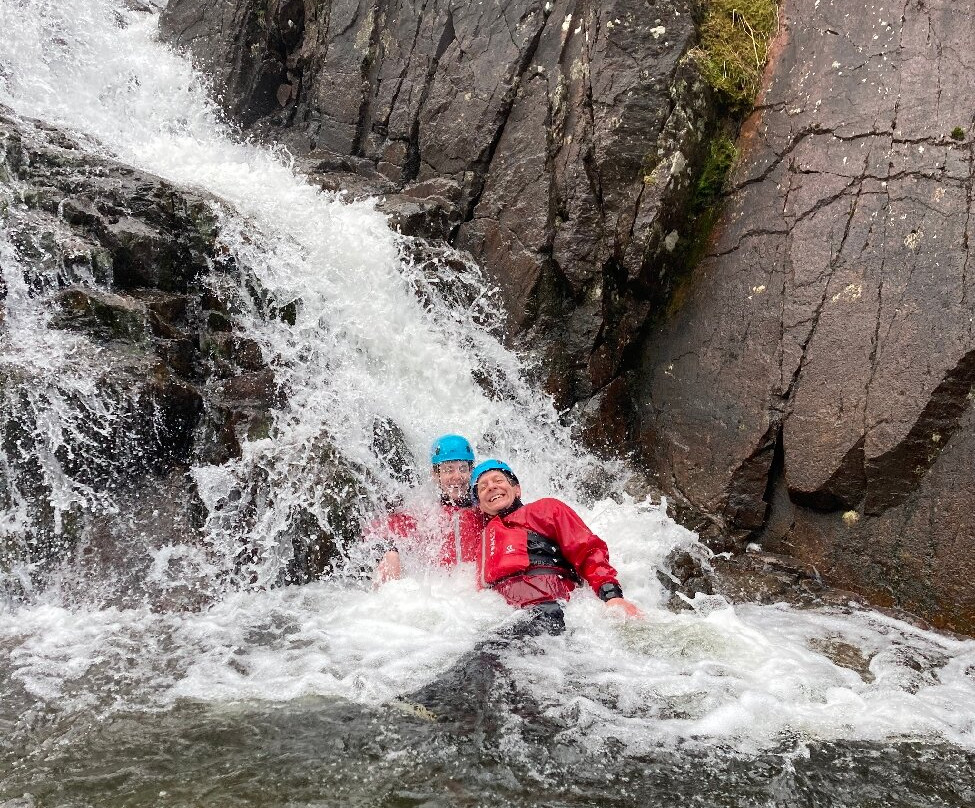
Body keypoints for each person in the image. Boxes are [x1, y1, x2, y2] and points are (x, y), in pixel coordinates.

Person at [470, 459, 642, 633]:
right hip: (505, 618)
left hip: (550, 609)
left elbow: (588, 551)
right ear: (480, 506)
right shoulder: (484, 541)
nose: (491, 487)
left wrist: (611, 595)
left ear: (517, 489)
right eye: (482, 487)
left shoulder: (545, 509)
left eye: (498, 480)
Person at [367, 434, 482, 583]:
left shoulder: (483, 509)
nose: (457, 476)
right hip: (439, 589)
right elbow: (375, 532)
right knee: (390, 558)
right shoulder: (425, 512)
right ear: (435, 475)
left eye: (463, 469)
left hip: (475, 588)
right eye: (449, 470)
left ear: (471, 472)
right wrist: (391, 550)